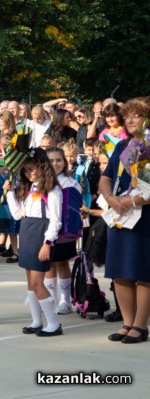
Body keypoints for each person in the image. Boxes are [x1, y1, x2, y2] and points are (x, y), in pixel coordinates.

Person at [99, 98, 150, 344]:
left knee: (142, 272)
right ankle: (127, 323)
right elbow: (106, 177)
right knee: (119, 271)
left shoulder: (149, 145)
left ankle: (140, 325)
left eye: (136, 115)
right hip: (119, 214)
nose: (129, 120)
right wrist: (110, 198)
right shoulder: (123, 147)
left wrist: (130, 202)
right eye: (127, 115)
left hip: (143, 216)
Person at [5, 148, 64, 336]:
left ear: (42, 167)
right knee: (30, 283)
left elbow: (56, 220)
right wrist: (9, 194)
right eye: (26, 170)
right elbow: (18, 214)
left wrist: (48, 242)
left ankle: (54, 323)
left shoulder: (53, 190)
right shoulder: (30, 189)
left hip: (41, 235)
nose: (30, 173)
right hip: (27, 232)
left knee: (38, 283)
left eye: (33, 169)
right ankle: (36, 321)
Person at [44, 147, 81, 314]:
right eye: (51, 160)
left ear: (65, 162)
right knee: (48, 264)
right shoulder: (39, 183)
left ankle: (65, 300)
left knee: (62, 263)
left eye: (59, 160)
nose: (55, 163)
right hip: (44, 229)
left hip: (64, 231)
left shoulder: (71, 183)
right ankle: (50, 299)